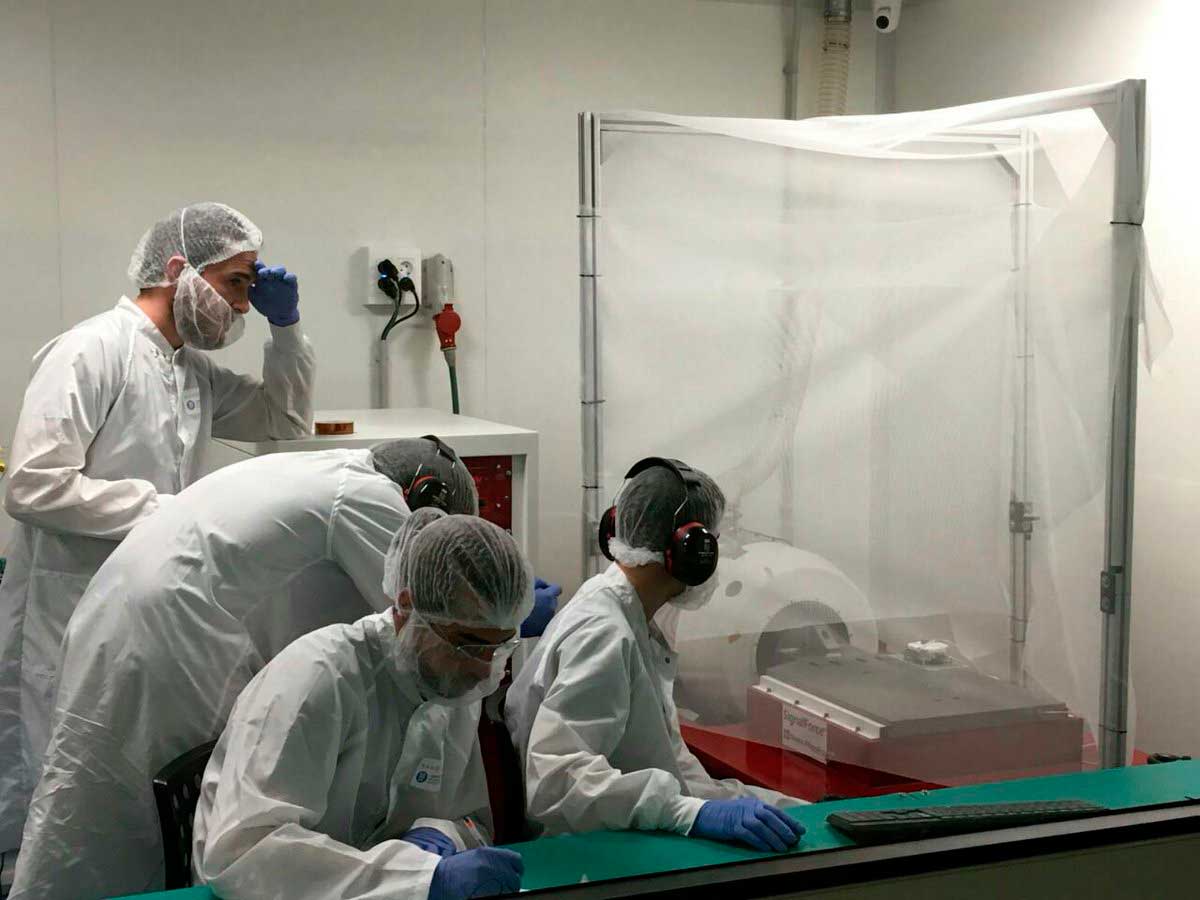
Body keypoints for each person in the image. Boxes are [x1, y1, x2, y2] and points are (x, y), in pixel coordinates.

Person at [10, 438, 487, 900]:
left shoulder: (322, 470)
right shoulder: (369, 499)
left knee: (85, 811)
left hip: (113, 622)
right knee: (149, 830)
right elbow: (435, 618)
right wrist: (507, 618)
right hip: (172, 651)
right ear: (422, 497)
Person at [0, 201, 315, 857]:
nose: (243, 306)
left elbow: (281, 419)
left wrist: (286, 332)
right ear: (178, 269)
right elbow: (31, 484)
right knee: (52, 790)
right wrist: (164, 513)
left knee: (116, 794)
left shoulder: (186, 367)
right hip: (65, 615)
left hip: (139, 611)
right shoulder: (92, 351)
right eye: (236, 284)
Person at [193, 510, 530, 900]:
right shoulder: (319, 678)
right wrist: (418, 880)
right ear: (408, 607)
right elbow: (244, 857)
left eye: (498, 646)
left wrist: (443, 834)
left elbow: (472, 820)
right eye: (468, 642)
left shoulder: (449, 686)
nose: (482, 667)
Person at [506, 458, 806, 853]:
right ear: (692, 551)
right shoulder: (606, 633)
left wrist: (774, 805)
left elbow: (670, 768)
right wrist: (689, 814)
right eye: (712, 542)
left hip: (632, 824)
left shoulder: (623, 611)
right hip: (599, 849)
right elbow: (558, 782)